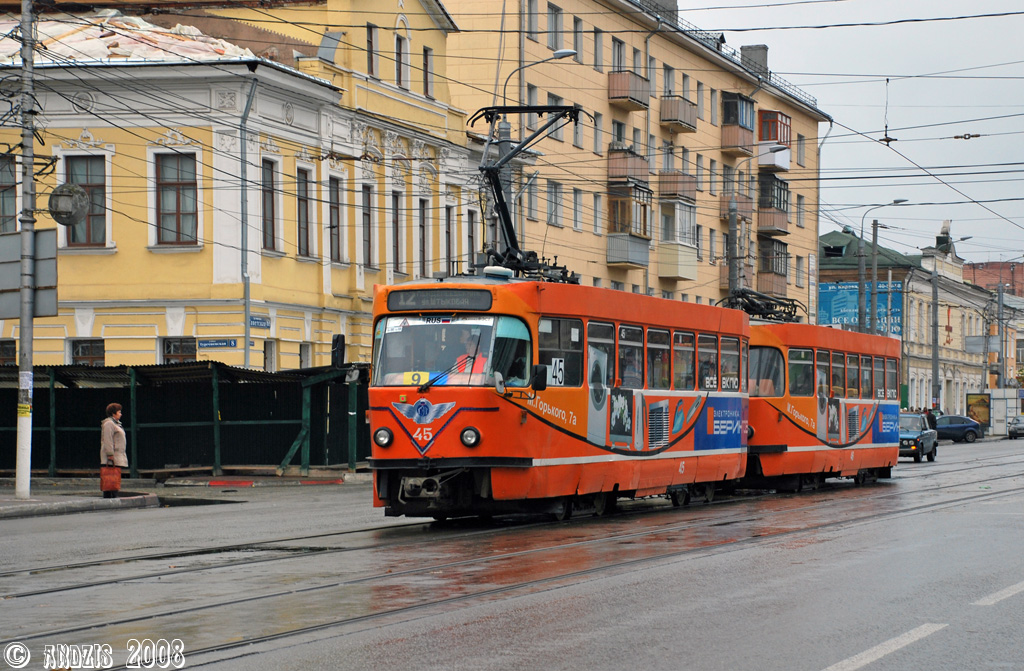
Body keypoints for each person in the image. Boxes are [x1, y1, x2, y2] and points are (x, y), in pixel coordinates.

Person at [100, 402, 128, 498]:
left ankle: (112, 496)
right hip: (112, 456)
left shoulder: (115, 424)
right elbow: (108, 440)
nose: (121, 414)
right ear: (113, 413)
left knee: (114, 477)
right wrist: (110, 454)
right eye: (119, 412)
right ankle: (110, 497)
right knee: (111, 477)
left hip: (116, 455)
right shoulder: (109, 424)